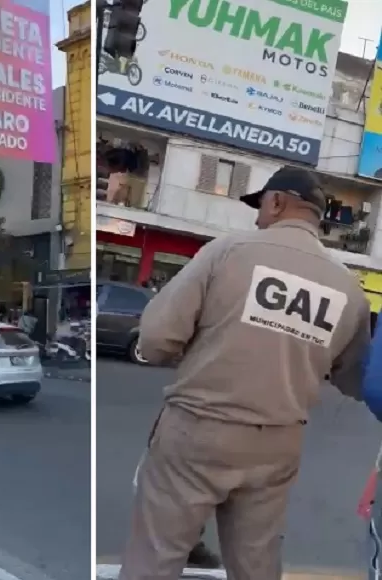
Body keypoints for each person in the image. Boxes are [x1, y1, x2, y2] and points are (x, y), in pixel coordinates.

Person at [120, 167, 371, 579]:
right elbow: (353, 377)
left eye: (261, 207)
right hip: (277, 442)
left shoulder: (228, 251)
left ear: (276, 202)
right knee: (256, 564)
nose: (257, 218)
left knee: (156, 556)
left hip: (198, 431)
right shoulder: (348, 290)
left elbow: (155, 339)